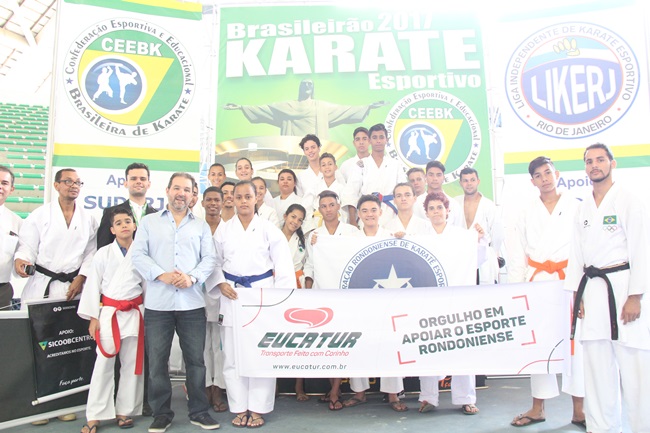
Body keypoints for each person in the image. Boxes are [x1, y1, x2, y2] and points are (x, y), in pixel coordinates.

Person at [565, 143, 649, 433]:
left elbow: (642, 249)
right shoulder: (582, 208)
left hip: (623, 289)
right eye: (589, 161)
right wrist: (577, 295)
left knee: (636, 370)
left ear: (612, 163)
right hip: (592, 290)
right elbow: (576, 253)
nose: (594, 165)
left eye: (600, 160)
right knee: (597, 369)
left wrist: (636, 296)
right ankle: (601, 428)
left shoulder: (629, 201)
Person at [131, 172, 219, 433]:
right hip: (158, 305)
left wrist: (192, 278)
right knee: (157, 363)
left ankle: (199, 411)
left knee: (196, 362)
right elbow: (138, 255)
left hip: (191, 304)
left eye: (187, 189)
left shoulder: (200, 226)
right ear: (167, 190)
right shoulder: (148, 222)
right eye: (177, 188)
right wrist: (162, 275)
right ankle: (161, 414)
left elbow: (209, 259)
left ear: (192, 195)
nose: (181, 193)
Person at [206, 181, 295, 428]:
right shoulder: (224, 231)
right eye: (239, 197)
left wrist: (278, 302)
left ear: (257, 199)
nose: (243, 201)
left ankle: (258, 407)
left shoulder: (269, 230)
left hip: (261, 296)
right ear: (232, 200)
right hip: (232, 294)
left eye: (248, 196)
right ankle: (238, 407)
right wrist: (220, 283)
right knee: (232, 354)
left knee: (261, 353)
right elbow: (213, 262)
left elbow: (284, 267)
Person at [14, 168, 98, 425]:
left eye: (78, 182)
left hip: (72, 288)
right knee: (39, 346)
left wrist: (82, 277)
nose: (74, 186)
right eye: (68, 181)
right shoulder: (39, 215)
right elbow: (27, 247)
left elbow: (91, 253)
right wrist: (22, 261)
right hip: (43, 285)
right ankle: (38, 406)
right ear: (56, 185)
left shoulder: (88, 218)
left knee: (69, 346)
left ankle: (63, 402)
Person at [508, 156, 585, 428]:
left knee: (576, 346)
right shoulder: (525, 212)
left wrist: (582, 289)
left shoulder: (577, 206)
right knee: (539, 345)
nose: (545, 179)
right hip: (537, 282)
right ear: (532, 181)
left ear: (557, 174)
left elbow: (584, 249)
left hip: (569, 281)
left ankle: (579, 410)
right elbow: (517, 254)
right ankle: (538, 407)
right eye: (538, 175)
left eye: (548, 173)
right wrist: (517, 293)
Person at [78, 208, 145, 433]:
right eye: (119, 223)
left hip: (135, 312)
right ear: (112, 229)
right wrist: (93, 317)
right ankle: (95, 414)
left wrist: (148, 314)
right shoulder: (103, 254)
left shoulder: (142, 253)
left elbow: (148, 286)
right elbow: (92, 286)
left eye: (128, 221)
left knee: (131, 364)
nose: (124, 225)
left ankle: (125, 411)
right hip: (110, 312)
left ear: (135, 226)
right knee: (103, 364)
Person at [419, 192, 483, 416]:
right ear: (426, 213)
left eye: (440, 207)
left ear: (448, 211)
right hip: (429, 300)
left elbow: (478, 259)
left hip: (457, 299)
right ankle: (428, 397)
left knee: (462, 347)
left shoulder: (462, 236)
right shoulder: (419, 237)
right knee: (427, 347)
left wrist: (479, 239)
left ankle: (466, 398)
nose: (436, 211)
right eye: (432, 208)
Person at [344, 195, 407, 412]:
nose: (369, 214)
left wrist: (403, 240)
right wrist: (318, 242)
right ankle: (359, 392)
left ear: (380, 212)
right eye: (364, 210)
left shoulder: (391, 236)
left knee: (390, 343)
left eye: (373, 210)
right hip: (359, 299)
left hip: (386, 299)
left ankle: (393, 394)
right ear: (358, 214)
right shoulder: (350, 238)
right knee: (358, 343)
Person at [223, 79, 386, 139]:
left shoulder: (320, 106)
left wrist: (368, 106)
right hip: (293, 149)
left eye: (310, 84)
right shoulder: (288, 106)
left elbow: (345, 110)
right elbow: (266, 109)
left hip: (315, 150)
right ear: (300, 87)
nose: (307, 86)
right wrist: (241, 107)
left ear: (312, 88)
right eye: (304, 84)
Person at [343, 123, 406, 226]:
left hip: (391, 213)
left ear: (387, 140)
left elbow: (403, 192)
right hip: (366, 213)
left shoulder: (396, 164)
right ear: (369, 140)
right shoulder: (361, 164)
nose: (378, 141)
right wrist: (353, 221)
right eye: (374, 137)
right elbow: (351, 193)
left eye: (381, 137)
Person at [200, 187, 228, 413]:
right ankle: (205, 386)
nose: (212, 204)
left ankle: (218, 386)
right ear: (202, 203)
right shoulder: (195, 228)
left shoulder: (229, 230)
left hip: (221, 291)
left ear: (223, 202)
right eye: (208, 200)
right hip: (197, 291)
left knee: (219, 344)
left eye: (216, 200)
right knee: (201, 344)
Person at [279, 203, 309, 402]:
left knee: (299, 338)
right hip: (275, 287)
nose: (295, 222)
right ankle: (272, 384)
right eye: (293, 217)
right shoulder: (272, 235)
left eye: (300, 220)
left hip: (297, 288)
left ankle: (299, 386)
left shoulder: (303, 240)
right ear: (285, 216)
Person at [455, 167, 503, 285]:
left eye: (472, 180)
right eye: (465, 180)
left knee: (485, 290)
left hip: (484, 256)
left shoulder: (488, 205)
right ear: (460, 183)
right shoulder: (455, 203)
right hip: (461, 256)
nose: (469, 184)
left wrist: (493, 254)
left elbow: (497, 234)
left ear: (478, 181)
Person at [304, 191, 359, 289]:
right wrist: (308, 291)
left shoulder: (352, 231)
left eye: (332, 205)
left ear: (338, 206)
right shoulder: (315, 235)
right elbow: (310, 265)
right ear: (319, 210)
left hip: (346, 285)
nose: (328, 209)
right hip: (322, 287)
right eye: (324, 206)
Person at [97, 162, 157, 249]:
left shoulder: (157, 216)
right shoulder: (110, 212)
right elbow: (103, 247)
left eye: (143, 179)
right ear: (126, 183)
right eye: (133, 179)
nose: (138, 182)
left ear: (149, 184)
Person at [304, 152, 348, 231]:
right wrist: (312, 223)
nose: (327, 167)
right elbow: (306, 208)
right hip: (316, 225)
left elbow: (345, 211)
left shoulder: (342, 189)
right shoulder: (313, 188)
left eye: (330, 164)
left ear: (335, 167)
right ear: (320, 169)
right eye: (323, 165)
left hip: (337, 225)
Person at [414, 160, 463, 227]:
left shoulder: (454, 204)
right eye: (431, 175)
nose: (435, 178)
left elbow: (459, 230)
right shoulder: (416, 203)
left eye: (438, 175)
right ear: (425, 177)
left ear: (443, 178)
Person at [0, 166, 22, 309]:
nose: (0, 186)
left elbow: (21, 254)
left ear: (11, 189)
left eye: (4, 183)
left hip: (2, 291)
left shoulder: (16, 222)